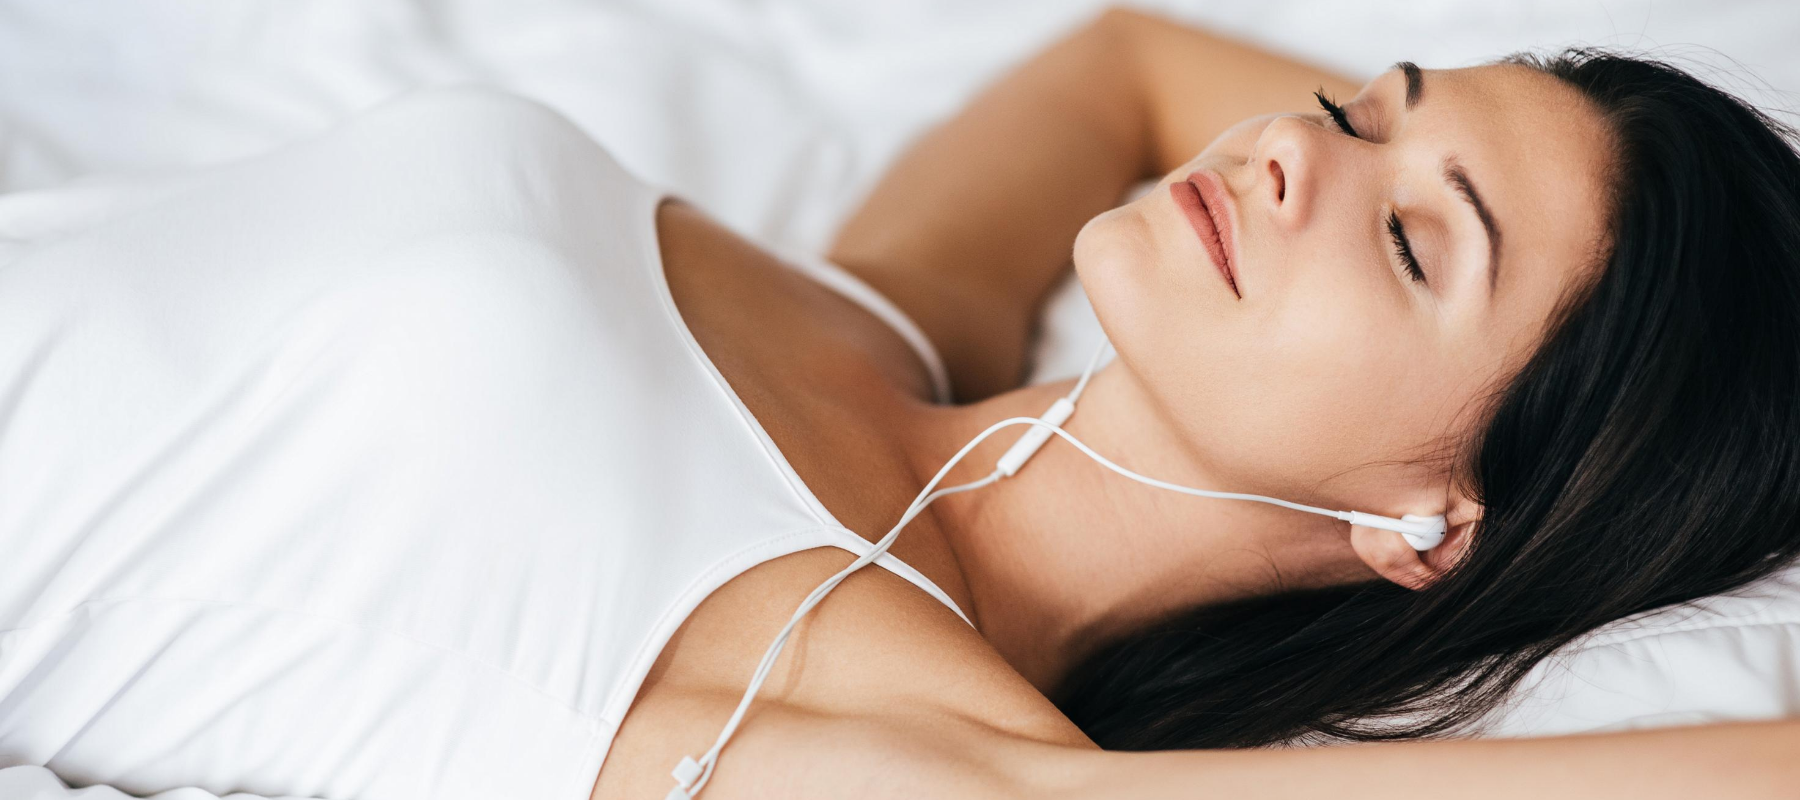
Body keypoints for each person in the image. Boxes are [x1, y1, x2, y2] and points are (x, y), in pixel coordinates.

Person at [0, 6, 1795, 800]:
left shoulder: (861, 708)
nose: (1285, 157)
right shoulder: (889, 325)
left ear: (1434, 531)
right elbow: (1125, 57)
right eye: (1362, 109)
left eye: (1413, 244)